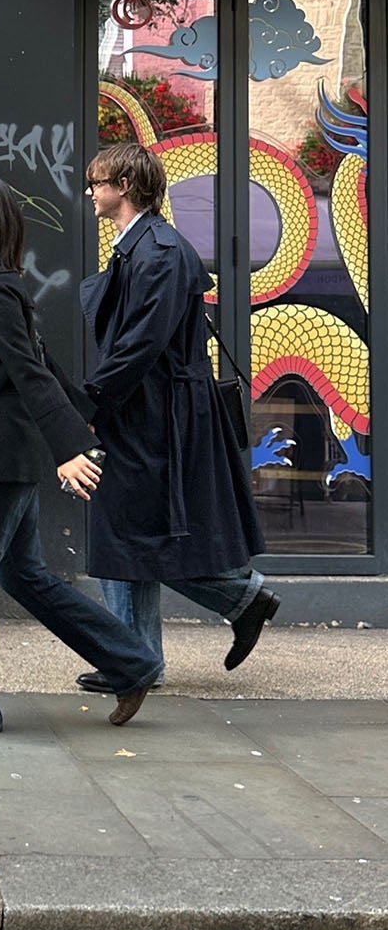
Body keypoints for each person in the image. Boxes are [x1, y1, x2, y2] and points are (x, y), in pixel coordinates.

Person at [0, 175, 162, 733]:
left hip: (1, 453)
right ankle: (131, 662)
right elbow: (42, 364)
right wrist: (82, 418)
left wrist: (70, 446)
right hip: (1, 448)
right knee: (23, 575)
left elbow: (29, 371)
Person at [78, 140, 277, 691]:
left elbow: (141, 342)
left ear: (124, 187)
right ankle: (142, 656)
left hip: (154, 412)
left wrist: (92, 401)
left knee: (125, 531)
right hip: (143, 408)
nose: (89, 191)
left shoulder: (159, 251)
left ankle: (154, 647)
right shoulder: (139, 245)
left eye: (96, 182)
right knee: (128, 530)